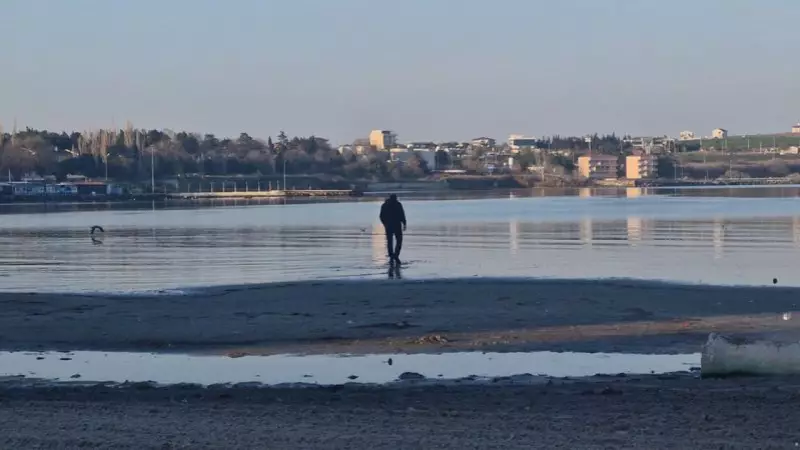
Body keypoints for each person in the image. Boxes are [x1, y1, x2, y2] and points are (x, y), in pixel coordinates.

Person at [379, 194, 407, 264]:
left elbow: (381, 216)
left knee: (390, 241)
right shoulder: (398, 204)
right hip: (396, 225)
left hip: (389, 225)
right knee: (399, 240)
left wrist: (385, 223)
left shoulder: (385, 205)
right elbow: (402, 214)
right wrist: (404, 223)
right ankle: (395, 255)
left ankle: (392, 255)